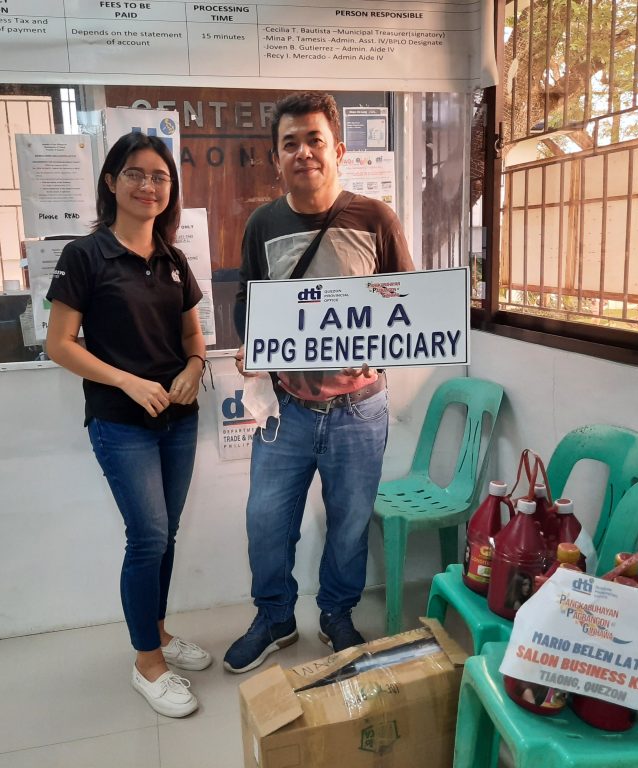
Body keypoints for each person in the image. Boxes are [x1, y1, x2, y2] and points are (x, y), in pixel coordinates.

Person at [223, 92, 414, 674]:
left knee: (351, 521)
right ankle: (275, 617)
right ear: (276, 158)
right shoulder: (264, 223)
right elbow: (245, 302)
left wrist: (381, 317)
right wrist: (254, 347)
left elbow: (408, 301)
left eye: (313, 140)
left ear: (338, 149)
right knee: (265, 520)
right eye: (290, 144)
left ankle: (336, 612)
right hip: (287, 408)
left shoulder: (374, 218)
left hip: (360, 406)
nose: (303, 152)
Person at [45, 132, 210, 718]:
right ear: (111, 182)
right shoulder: (85, 255)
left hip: (179, 419)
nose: (149, 186)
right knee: (145, 537)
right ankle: (147, 662)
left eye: (160, 177)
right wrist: (127, 381)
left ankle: (159, 633)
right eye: (136, 174)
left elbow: (194, 338)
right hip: (121, 421)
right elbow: (59, 345)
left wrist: (194, 367)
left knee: (163, 535)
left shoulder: (173, 259)